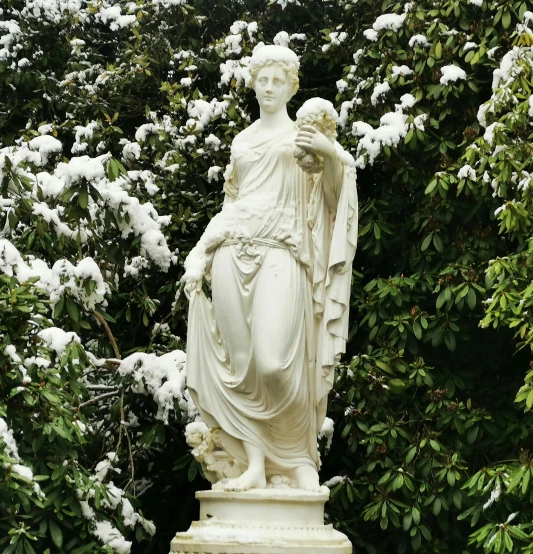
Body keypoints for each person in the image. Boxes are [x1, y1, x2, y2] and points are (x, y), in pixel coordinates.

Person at [183, 44, 357, 492]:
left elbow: (334, 196)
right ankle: (255, 465)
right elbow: (231, 205)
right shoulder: (242, 141)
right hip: (230, 253)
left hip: (282, 251)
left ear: (292, 86)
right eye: (262, 79)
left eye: (278, 79)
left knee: (276, 363)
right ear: (252, 84)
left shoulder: (304, 135)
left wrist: (330, 152)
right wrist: (200, 253)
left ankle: (298, 456)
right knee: (243, 367)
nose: (269, 86)